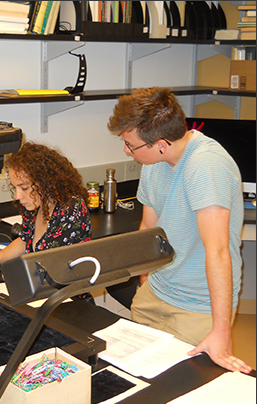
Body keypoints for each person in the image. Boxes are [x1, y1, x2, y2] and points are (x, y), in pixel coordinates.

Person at [107, 86, 252, 374]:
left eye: (130, 145)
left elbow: (219, 252)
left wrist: (222, 332)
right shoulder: (155, 161)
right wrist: (145, 282)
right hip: (156, 292)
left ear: (160, 143)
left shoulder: (206, 167)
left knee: (183, 388)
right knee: (135, 379)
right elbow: (149, 228)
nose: (126, 150)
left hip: (196, 306)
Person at [0, 141, 92, 282]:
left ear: (46, 183)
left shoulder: (71, 208)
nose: (18, 196)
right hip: (36, 290)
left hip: (64, 297)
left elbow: (48, 269)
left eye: (24, 188)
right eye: (15, 188)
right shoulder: (36, 204)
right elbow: (25, 240)